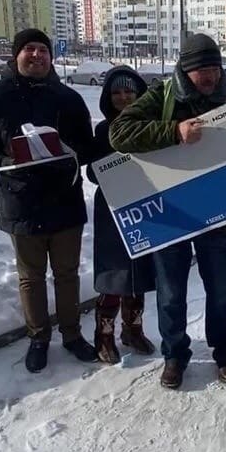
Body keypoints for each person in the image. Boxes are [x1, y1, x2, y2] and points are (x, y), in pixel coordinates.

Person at [109, 33, 226, 390]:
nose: (210, 77)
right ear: (185, 69)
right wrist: (173, 131)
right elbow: (119, 134)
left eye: (215, 68)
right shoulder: (162, 95)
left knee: (222, 290)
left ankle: (225, 352)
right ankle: (174, 356)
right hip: (171, 211)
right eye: (202, 71)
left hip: (217, 215)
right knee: (171, 293)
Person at [0, 28, 97, 373]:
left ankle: (71, 335)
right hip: (20, 201)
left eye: (42, 50)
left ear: (51, 58)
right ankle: (39, 338)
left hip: (64, 198)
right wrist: (7, 162)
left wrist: (71, 153)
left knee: (67, 273)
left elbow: (87, 145)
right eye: (29, 49)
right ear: (16, 55)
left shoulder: (68, 98)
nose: (36, 55)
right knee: (31, 277)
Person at [87, 67, 156, 363]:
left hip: (145, 204)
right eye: (116, 92)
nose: (123, 97)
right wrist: (113, 168)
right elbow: (91, 171)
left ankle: (133, 330)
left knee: (139, 269)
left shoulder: (151, 125)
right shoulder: (103, 130)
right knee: (115, 272)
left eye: (129, 91)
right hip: (113, 207)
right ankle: (103, 335)